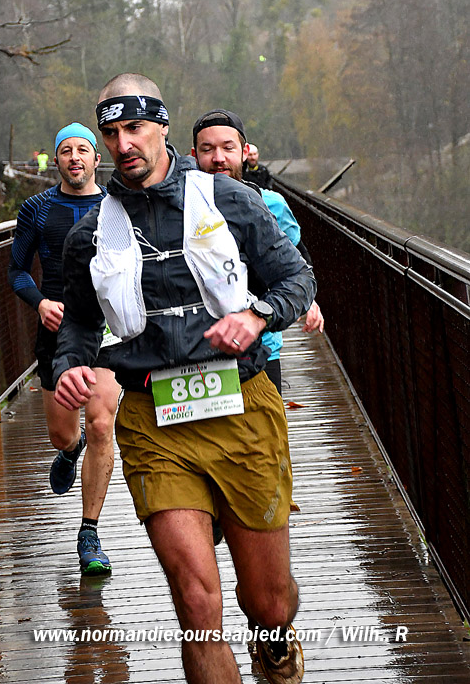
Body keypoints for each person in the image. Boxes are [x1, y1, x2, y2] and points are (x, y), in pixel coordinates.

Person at [52, 74, 316, 684]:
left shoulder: (229, 200)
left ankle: (274, 636)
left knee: (270, 602)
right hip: (153, 421)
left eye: (135, 128)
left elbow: (297, 279)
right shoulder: (90, 234)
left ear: (163, 127)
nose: (123, 144)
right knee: (197, 606)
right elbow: (80, 326)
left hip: (241, 405)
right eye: (111, 134)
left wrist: (258, 316)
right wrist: (70, 367)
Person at [8, 122, 120, 575]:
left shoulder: (116, 206)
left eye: (83, 150)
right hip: (57, 330)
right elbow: (16, 271)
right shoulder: (36, 209)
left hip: (106, 331)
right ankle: (70, 450)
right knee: (62, 433)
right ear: (55, 160)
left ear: (97, 159)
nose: (75, 157)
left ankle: (89, 532)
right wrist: (40, 303)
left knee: (101, 423)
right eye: (66, 151)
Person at [191, 109, 324, 395]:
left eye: (228, 148)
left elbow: (296, 260)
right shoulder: (180, 209)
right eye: (207, 149)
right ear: (194, 155)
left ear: (244, 152)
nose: (218, 158)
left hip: (263, 344)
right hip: (198, 350)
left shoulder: (270, 203)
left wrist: (308, 300)